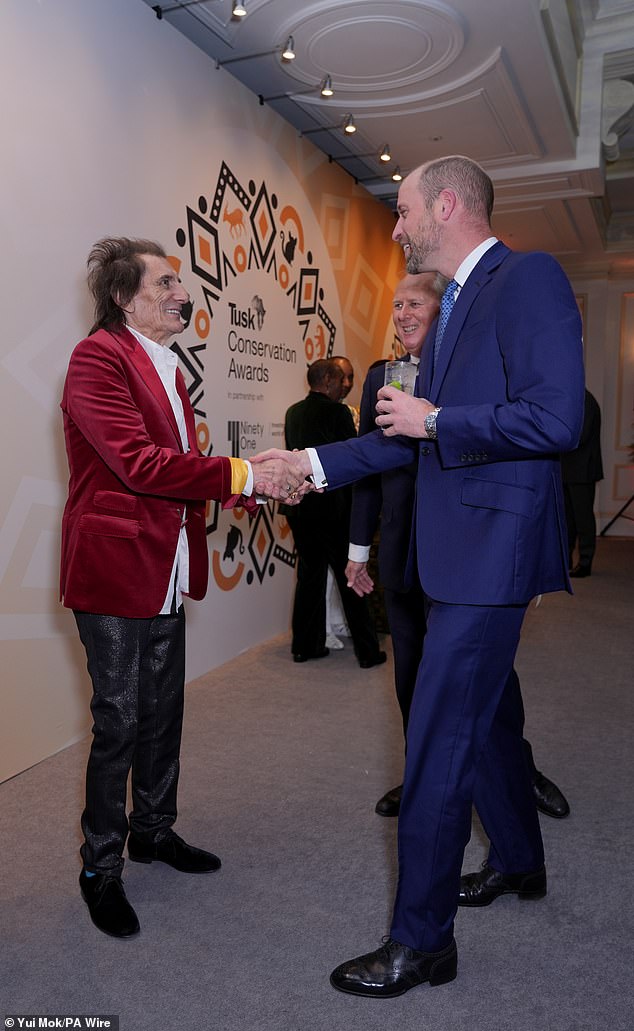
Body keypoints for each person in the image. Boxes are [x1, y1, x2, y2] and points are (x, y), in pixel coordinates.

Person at [256, 155, 584, 996]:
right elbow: (398, 435)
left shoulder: (528, 276)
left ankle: (422, 941)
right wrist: (306, 463)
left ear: (446, 203)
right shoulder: (452, 308)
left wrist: (439, 419)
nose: (396, 227)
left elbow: (556, 417)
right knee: (492, 718)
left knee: (438, 735)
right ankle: (519, 859)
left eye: (402, 212)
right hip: (453, 550)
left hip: (491, 552)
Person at [61, 237, 306, 939]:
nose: (182, 292)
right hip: (113, 567)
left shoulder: (168, 366)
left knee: (163, 708)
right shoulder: (96, 358)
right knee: (119, 720)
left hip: (165, 559)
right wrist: (242, 475)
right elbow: (139, 465)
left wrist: (244, 479)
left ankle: (154, 830)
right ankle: (100, 867)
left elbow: (179, 467)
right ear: (123, 297)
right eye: (166, 282)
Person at [347, 272, 570, 822]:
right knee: (410, 674)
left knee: (488, 685)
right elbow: (369, 464)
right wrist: (357, 549)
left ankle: (518, 771)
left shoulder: (474, 370)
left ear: (444, 310)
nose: (402, 314)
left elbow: (533, 437)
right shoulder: (382, 374)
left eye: (414, 303)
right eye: (395, 304)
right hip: (403, 550)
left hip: (471, 552)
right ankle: (421, 773)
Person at [283, 358, 386, 668]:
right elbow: (353, 460)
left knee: (308, 577)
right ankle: (368, 652)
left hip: (300, 510)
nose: (344, 387)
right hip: (333, 510)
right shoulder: (338, 413)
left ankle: (304, 646)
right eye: (340, 381)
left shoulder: (293, 413)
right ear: (326, 381)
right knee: (351, 578)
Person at [561, 388, 603, 577]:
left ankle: (585, 562)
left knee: (583, 519)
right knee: (567, 519)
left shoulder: (586, 400)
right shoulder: (574, 397)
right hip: (568, 469)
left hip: (583, 470)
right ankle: (566, 559)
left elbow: (581, 435)